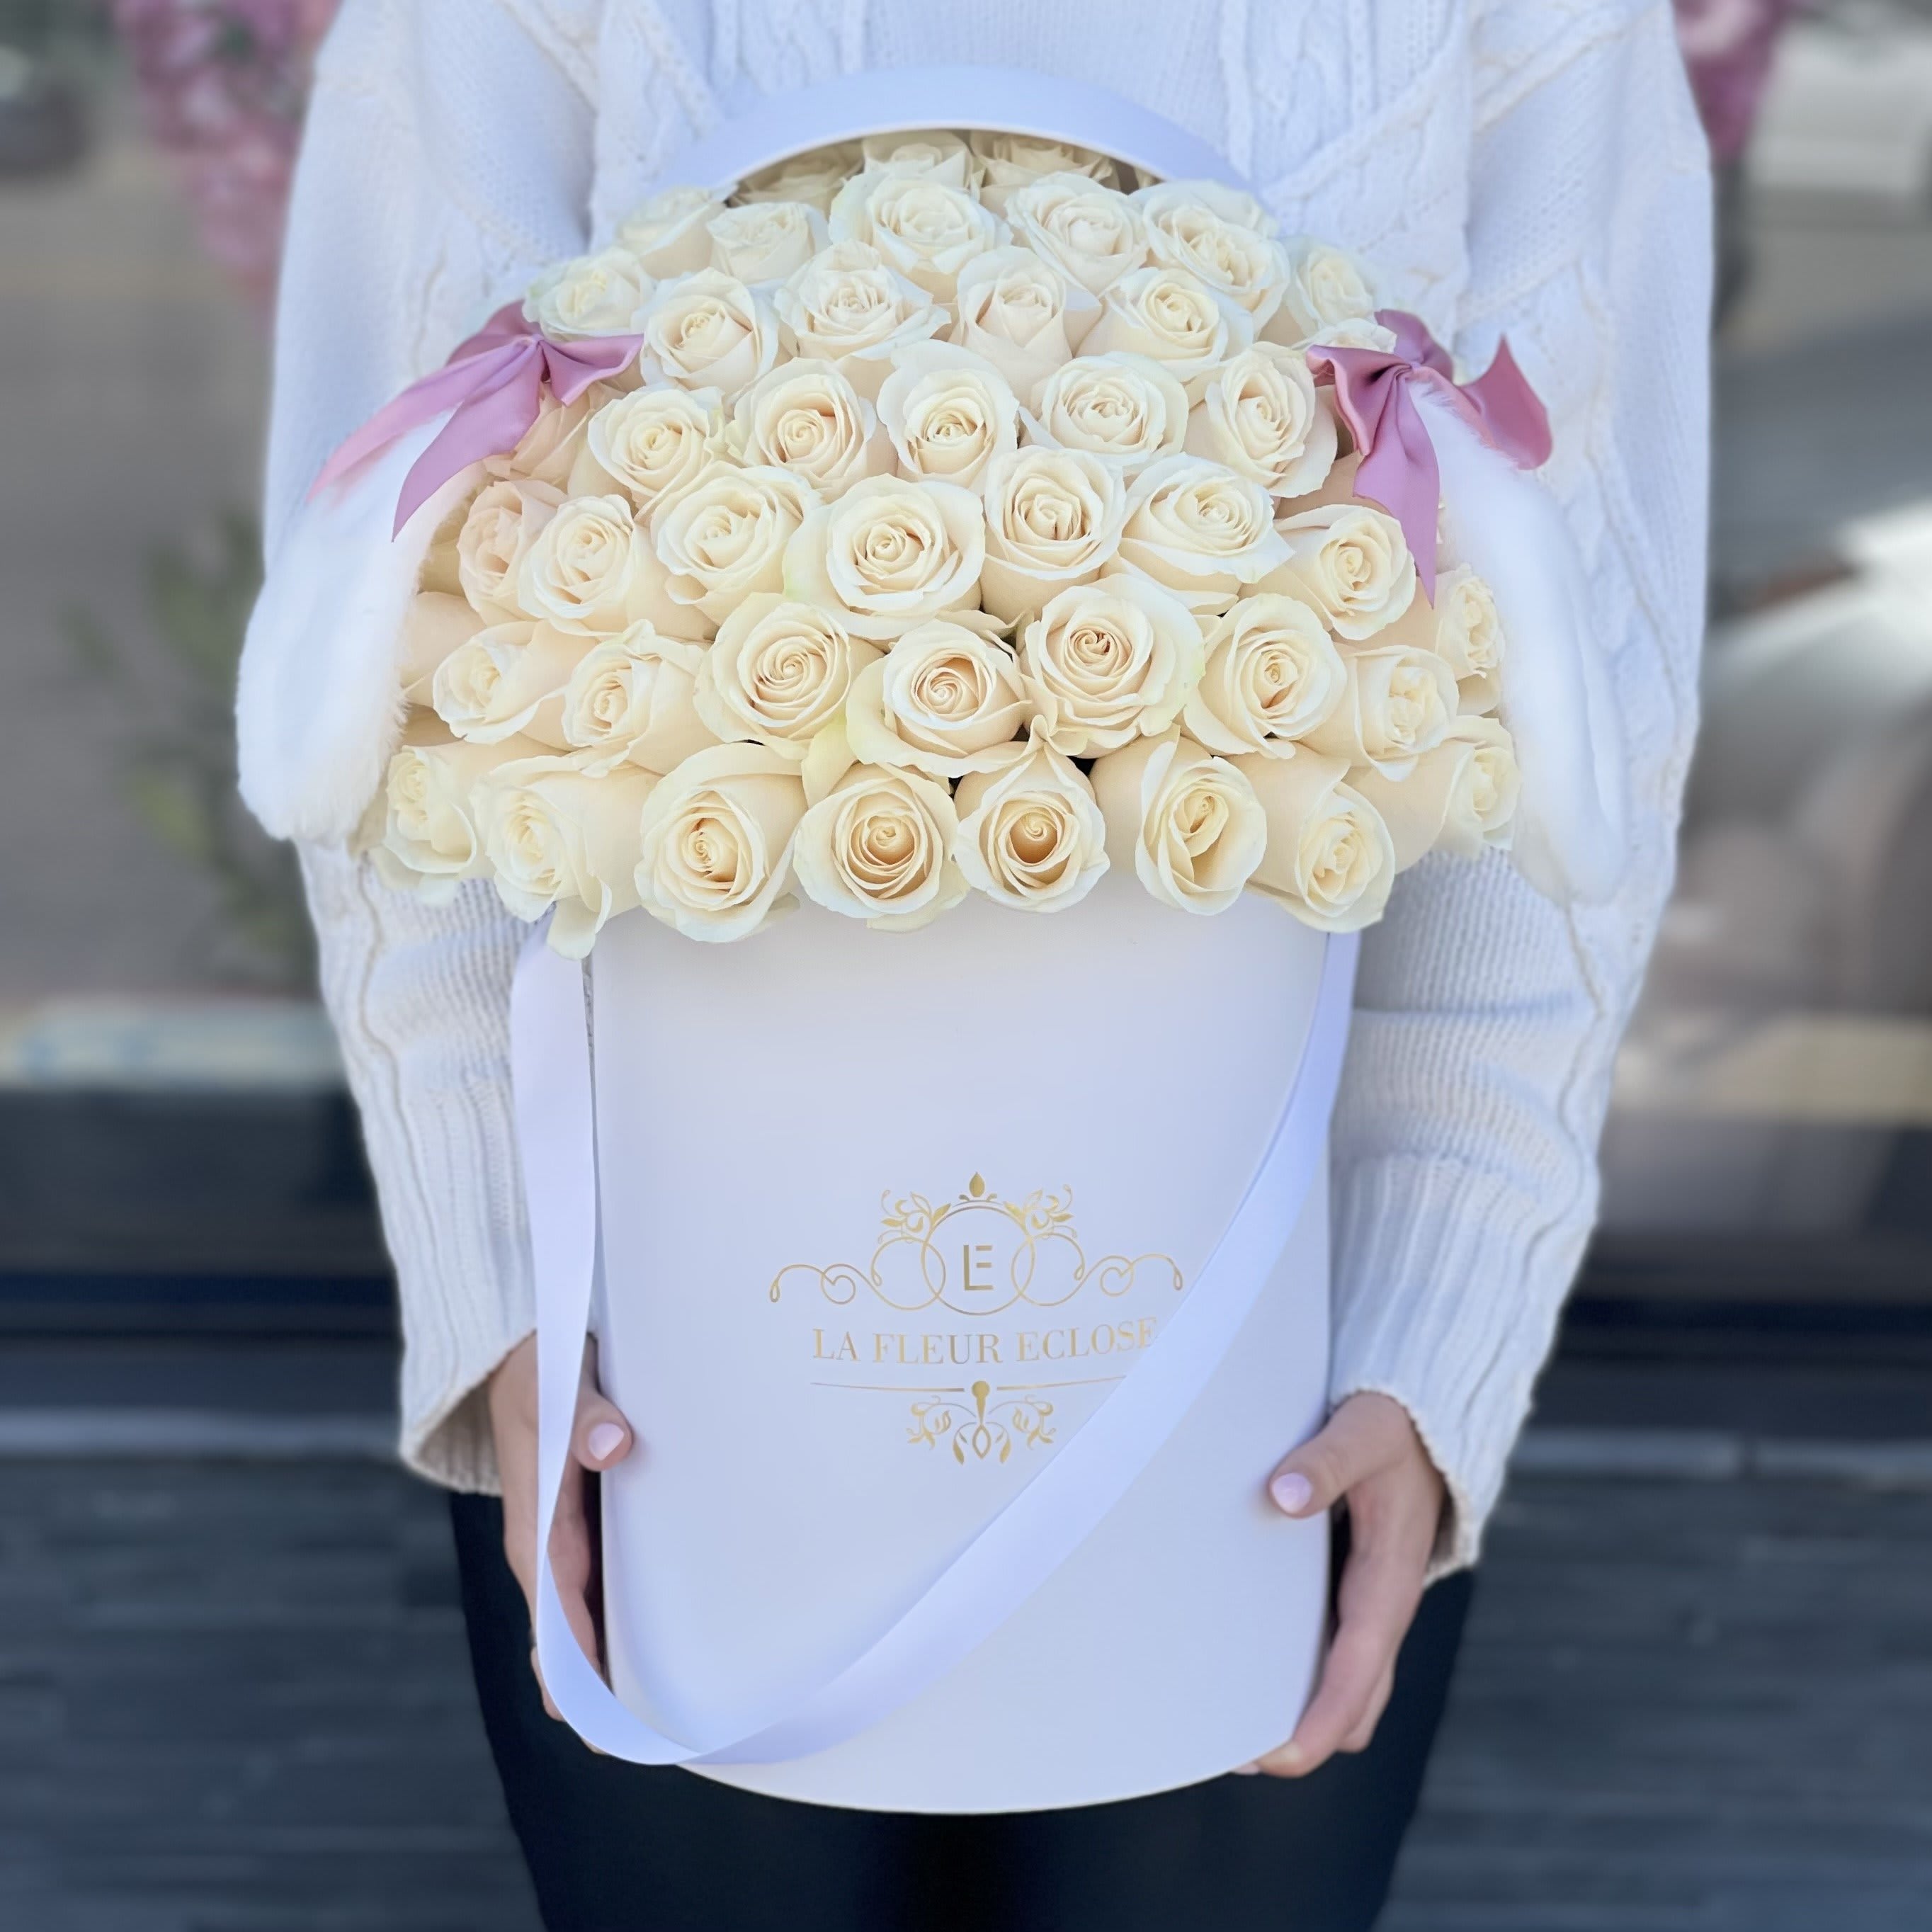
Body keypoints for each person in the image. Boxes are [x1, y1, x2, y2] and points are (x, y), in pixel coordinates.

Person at [264, 2, 1710, 1926]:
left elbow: (1569, 662)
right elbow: (391, 617)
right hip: (664, 1365)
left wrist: (1437, 1321)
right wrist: (509, 1281)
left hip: (1273, 1371)